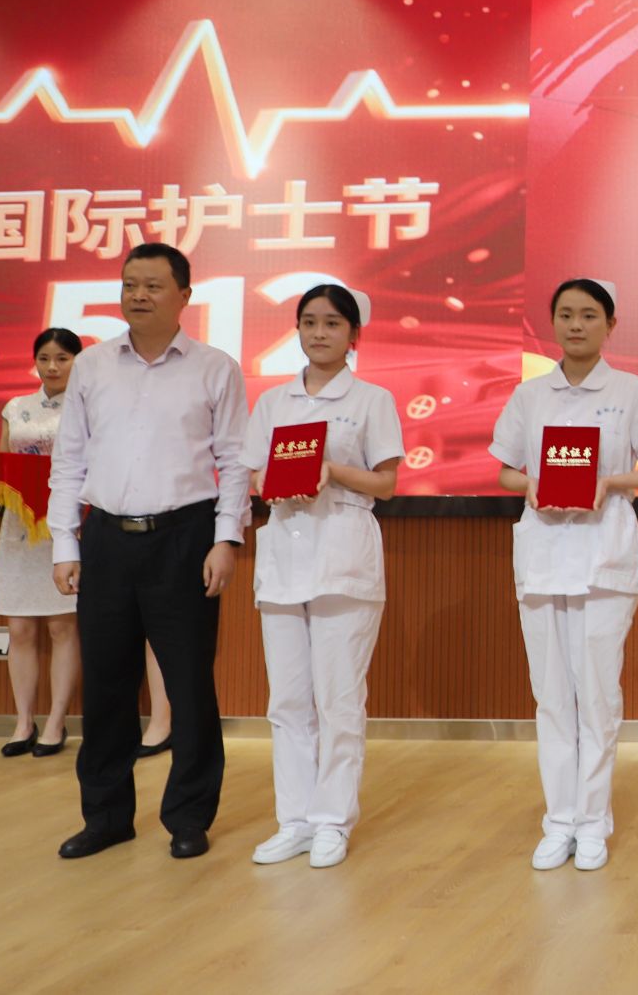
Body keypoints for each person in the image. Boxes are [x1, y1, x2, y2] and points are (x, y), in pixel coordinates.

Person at [48, 242, 249, 860]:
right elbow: (69, 458)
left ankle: (188, 816)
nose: (138, 295)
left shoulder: (215, 368)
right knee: (106, 684)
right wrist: (65, 541)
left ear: (184, 296)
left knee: (189, 684)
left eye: (153, 285)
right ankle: (106, 816)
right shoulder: (92, 365)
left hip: (185, 537)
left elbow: (234, 461)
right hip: (106, 537)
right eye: (129, 284)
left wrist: (226, 539)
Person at [491, 279, 638, 872]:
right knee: (551, 695)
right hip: (543, 554)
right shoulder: (530, 395)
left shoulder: (630, 391)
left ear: (610, 325)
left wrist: (611, 482)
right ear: (553, 322)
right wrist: (533, 483)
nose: (576, 325)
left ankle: (592, 821)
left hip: (604, 555)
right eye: (566, 314)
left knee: (596, 693)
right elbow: (505, 472)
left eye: (589, 315)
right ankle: (559, 821)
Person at [243, 285, 404, 869]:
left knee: (338, 698)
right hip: (284, 554)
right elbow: (254, 474)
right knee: (287, 700)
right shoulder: (272, 402)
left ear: (353, 335)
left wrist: (330, 469)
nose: (318, 333)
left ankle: (332, 820)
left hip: (342, 554)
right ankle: (294, 820)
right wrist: (276, 481)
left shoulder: (372, 399)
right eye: (309, 322)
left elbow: (387, 483)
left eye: (332, 323)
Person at [0, 328, 82, 759]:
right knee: (19, 628)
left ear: (77, 361)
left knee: (63, 627)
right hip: (20, 528)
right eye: (44, 358)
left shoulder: (88, 406)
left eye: (62, 358)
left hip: (67, 525)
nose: (52, 366)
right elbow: (4, 466)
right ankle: (23, 720)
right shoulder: (16, 407)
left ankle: (56, 722)